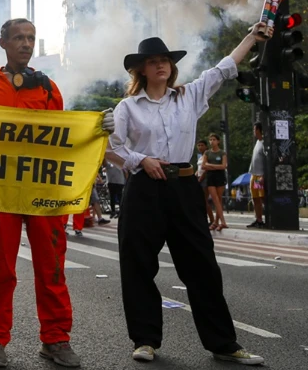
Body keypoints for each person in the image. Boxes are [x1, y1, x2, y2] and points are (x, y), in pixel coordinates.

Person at [0, 18, 115, 368]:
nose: (26, 43)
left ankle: (56, 339)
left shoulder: (48, 88)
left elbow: (63, 137)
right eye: (18, 38)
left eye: (31, 38)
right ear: (3, 42)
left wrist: (98, 130)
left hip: (44, 192)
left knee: (51, 268)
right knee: (0, 270)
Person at [106, 24, 269, 366]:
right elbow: (110, 148)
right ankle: (145, 340)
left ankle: (224, 344)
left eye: (165, 60)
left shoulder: (189, 95)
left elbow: (225, 67)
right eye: (152, 62)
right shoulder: (127, 108)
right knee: (138, 266)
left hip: (183, 187)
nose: (160, 66)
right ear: (141, 69)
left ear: (172, 66)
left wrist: (252, 38)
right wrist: (141, 160)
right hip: (144, 189)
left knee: (202, 266)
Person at [203, 133, 228, 231]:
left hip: (220, 177)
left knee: (219, 199)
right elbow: (203, 166)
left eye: (214, 139)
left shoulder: (222, 153)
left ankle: (216, 222)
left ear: (218, 141)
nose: (212, 141)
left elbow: (223, 166)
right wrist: (215, 166)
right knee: (215, 199)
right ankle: (223, 221)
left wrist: (211, 165)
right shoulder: (207, 153)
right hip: (211, 177)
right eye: (210, 140)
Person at [247, 122, 265, 228]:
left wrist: (264, 175)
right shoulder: (258, 142)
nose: (253, 131)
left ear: (258, 130)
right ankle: (258, 219)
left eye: (254, 129)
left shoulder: (264, 143)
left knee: (261, 198)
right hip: (254, 175)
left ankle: (265, 219)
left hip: (260, 175)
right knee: (255, 198)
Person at [195, 139, 215, 225]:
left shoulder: (207, 155)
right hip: (199, 178)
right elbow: (199, 169)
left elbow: (206, 169)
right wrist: (194, 176)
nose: (200, 147)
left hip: (205, 179)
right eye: (199, 145)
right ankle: (204, 219)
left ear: (206, 146)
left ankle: (211, 220)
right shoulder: (200, 156)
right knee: (201, 201)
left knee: (204, 201)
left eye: (202, 145)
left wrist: (200, 179)